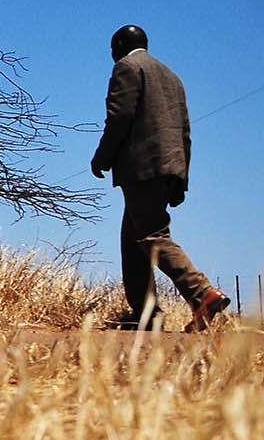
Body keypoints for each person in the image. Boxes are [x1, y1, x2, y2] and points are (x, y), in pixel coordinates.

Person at [90, 25, 229, 331]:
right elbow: (185, 132)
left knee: (153, 237)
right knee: (133, 240)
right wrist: (182, 178)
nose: (112, 56)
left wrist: (102, 157)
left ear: (121, 44)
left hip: (142, 168)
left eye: (113, 48)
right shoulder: (172, 77)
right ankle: (146, 315)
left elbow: (120, 117)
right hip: (170, 168)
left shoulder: (127, 67)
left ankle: (202, 294)